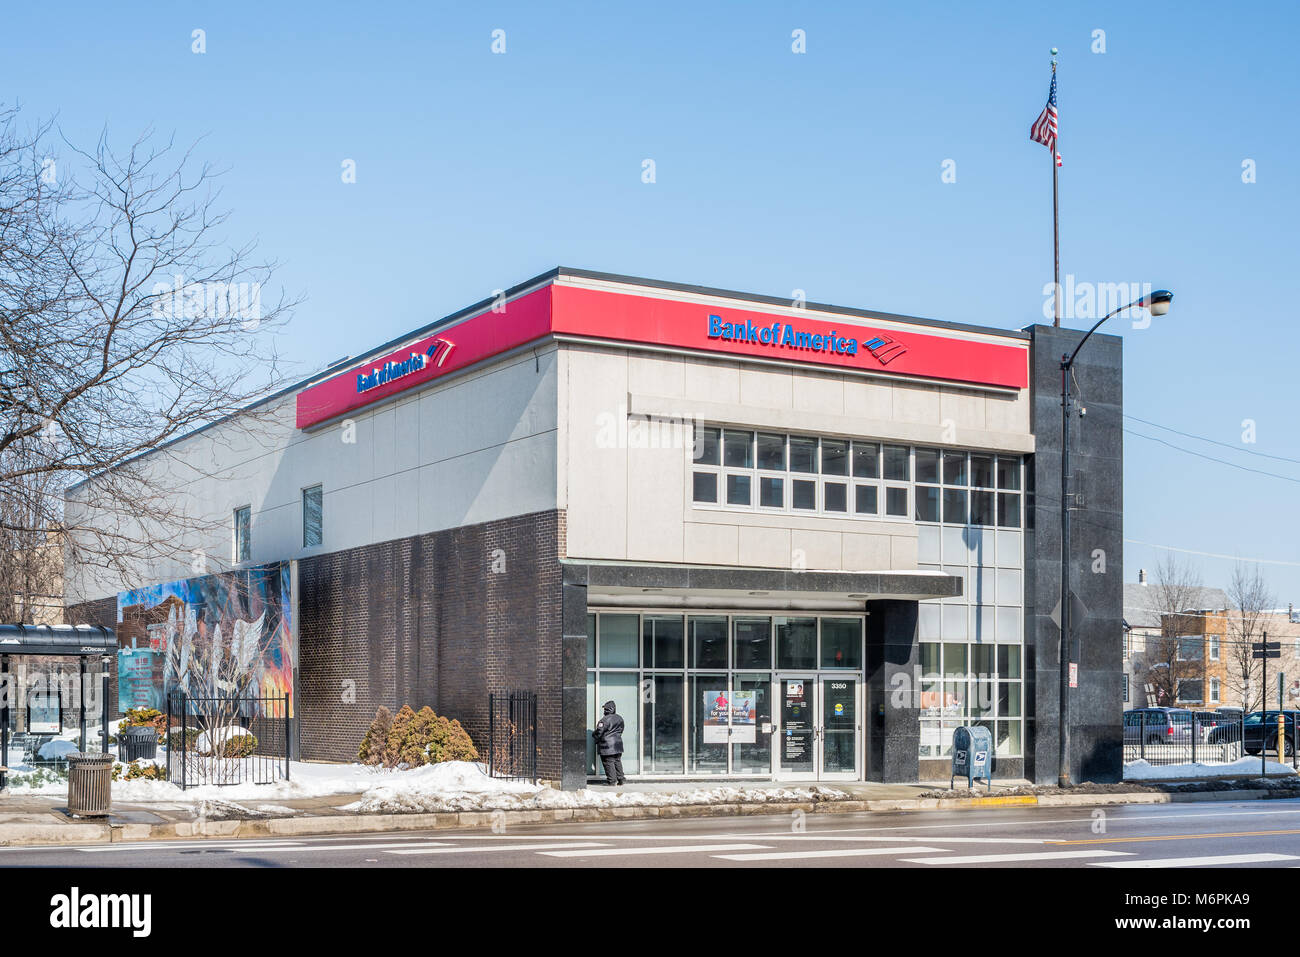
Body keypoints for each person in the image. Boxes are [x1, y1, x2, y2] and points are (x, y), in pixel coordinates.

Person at [592, 699, 625, 785]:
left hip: (607, 746)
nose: (604, 710)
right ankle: (621, 779)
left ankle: (611, 781)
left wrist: (595, 737)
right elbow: (621, 730)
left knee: (608, 762)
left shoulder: (604, 720)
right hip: (618, 744)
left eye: (605, 709)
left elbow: (599, 732)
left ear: (608, 709)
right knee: (617, 761)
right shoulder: (620, 718)